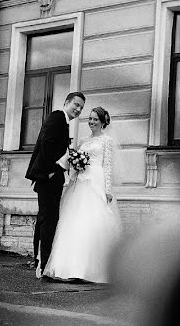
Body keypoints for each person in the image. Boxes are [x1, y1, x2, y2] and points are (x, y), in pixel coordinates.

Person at [43, 106, 121, 284]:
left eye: (95, 119)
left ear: (102, 122)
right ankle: (70, 267)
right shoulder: (83, 141)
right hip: (80, 181)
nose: (91, 122)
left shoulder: (106, 141)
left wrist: (108, 190)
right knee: (74, 222)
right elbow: (74, 160)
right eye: (90, 119)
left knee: (92, 223)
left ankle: (90, 269)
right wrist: (75, 169)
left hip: (96, 181)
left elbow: (107, 166)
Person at [25, 91, 86, 279]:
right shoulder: (57, 117)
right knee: (49, 219)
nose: (78, 109)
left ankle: (39, 261)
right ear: (66, 103)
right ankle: (43, 265)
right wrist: (52, 170)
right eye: (76, 105)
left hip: (49, 177)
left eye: (81, 108)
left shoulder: (62, 121)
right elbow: (46, 144)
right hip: (48, 177)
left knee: (45, 218)